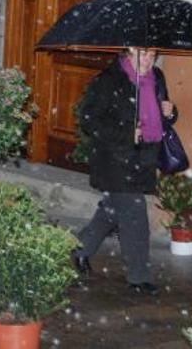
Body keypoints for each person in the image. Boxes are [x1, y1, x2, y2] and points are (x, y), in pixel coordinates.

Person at [72, 47, 176, 296]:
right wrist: (126, 133)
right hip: (115, 158)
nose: (149, 61)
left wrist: (170, 112)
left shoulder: (157, 77)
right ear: (128, 53)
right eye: (143, 55)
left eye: (153, 55)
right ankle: (139, 277)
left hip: (144, 157)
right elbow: (89, 119)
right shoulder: (109, 80)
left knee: (112, 210)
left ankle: (80, 249)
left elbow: (160, 117)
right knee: (134, 216)